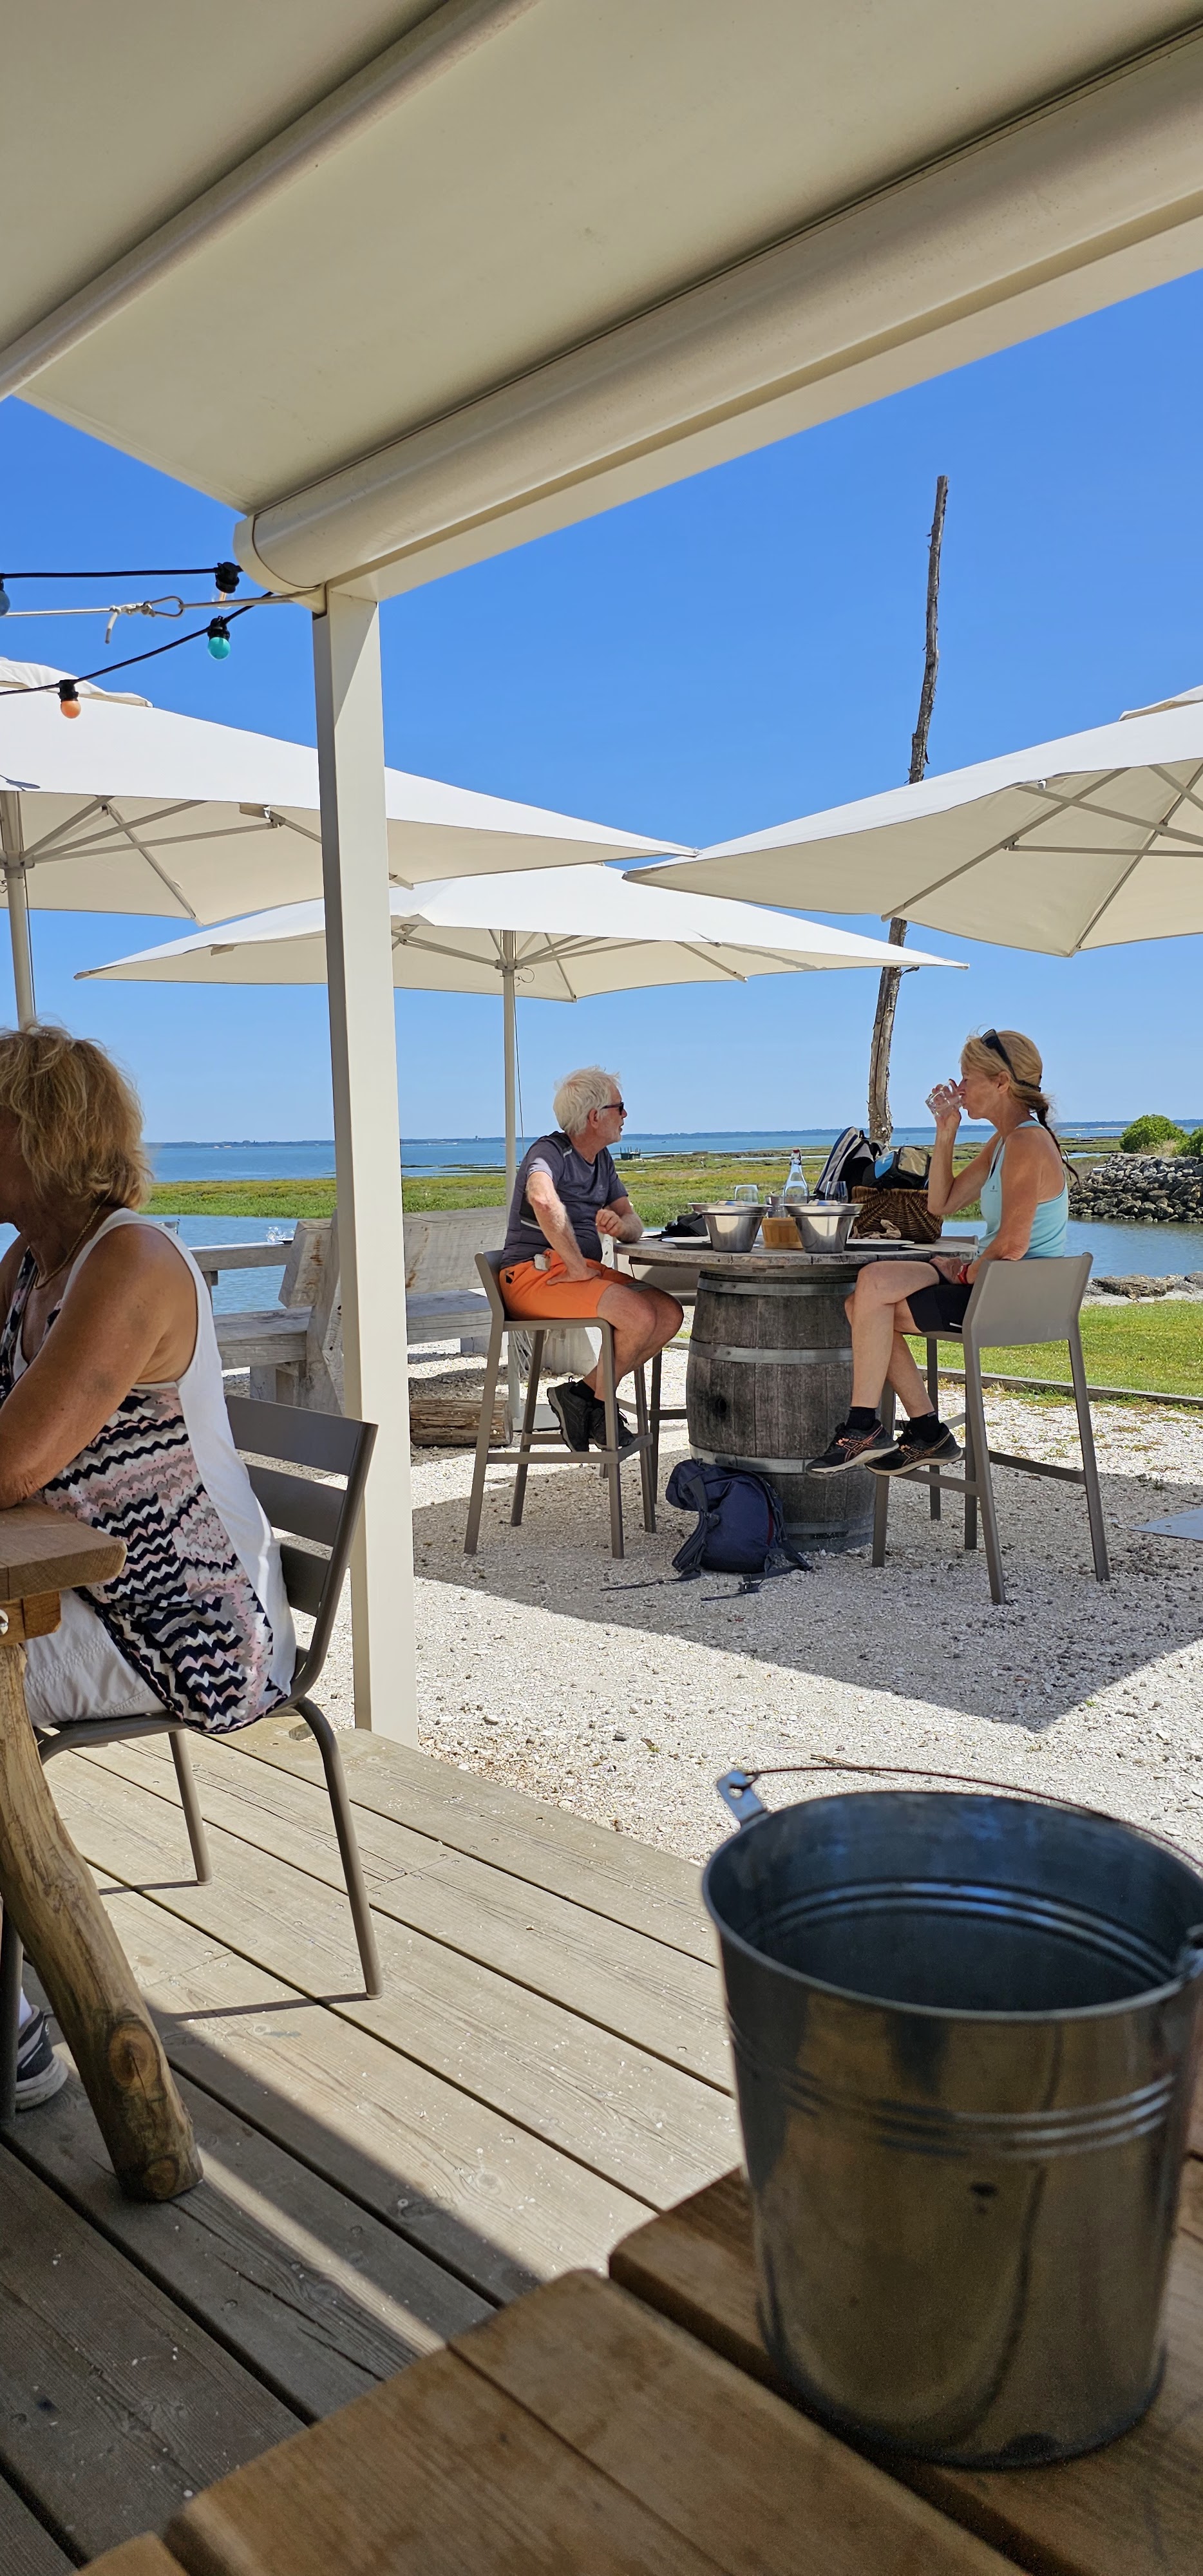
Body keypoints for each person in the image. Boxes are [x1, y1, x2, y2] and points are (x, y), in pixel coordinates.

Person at [0, 1027, 295, 2108]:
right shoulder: (28, 1268)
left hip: (194, 1626)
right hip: (85, 1586)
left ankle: (21, 2034)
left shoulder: (130, 1262)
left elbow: (15, 1461)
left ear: (40, 1134)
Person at [811, 1028, 1070, 1477]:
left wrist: (964, 1273)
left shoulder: (1027, 1142)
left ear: (1001, 1082)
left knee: (867, 1309)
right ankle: (906, 1430)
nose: (960, 1087)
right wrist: (946, 1130)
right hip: (993, 1281)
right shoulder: (1004, 1141)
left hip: (1012, 1296)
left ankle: (882, 1428)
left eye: (968, 1077)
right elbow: (940, 1204)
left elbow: (1012, 1244)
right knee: (869, 1288)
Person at [498, 1068, 683, 1454]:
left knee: (668, 1314)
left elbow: (633, 1223)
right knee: (638, 1316)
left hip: (579, 1273)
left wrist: (621, 1225)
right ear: (595, 1116)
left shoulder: (602, 1161)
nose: (626, 1115)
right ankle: (596, 1407)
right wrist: (576, 1264)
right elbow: (542, 1198)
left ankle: (585, 1398)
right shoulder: (550, 1152)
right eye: (620, 1107)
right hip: (534, 1275)